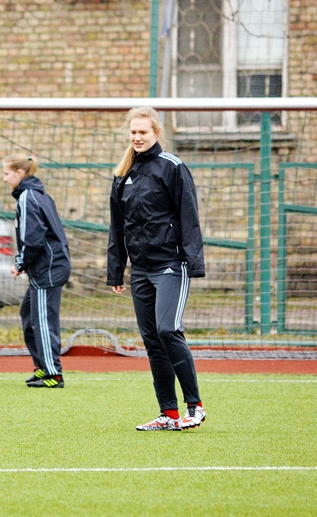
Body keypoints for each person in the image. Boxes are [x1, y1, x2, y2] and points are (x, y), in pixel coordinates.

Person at [107, 106, 207, 431]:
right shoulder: (122, 174)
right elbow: (117, 227)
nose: (137, 137)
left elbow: (189, 216)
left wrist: (194, 262)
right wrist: (116, 269)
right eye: (133, 132)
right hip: (140, 270)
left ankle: (195, 407)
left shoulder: (173, 167)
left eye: (143, 132)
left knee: (168, 330)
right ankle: (169, 413)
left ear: (156, 133)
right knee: (152, 341)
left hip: (170, 265)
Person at [3, 154, 71, 388]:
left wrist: (20, 263)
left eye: (7, 174)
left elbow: (32, 238)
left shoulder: (28, 197)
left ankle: (54, 374)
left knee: (43, 320)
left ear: (20, 173)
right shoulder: (37, 195)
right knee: (29, 314)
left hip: (48, 269)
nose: (5, 179)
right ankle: (43, 366)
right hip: (48, 266)